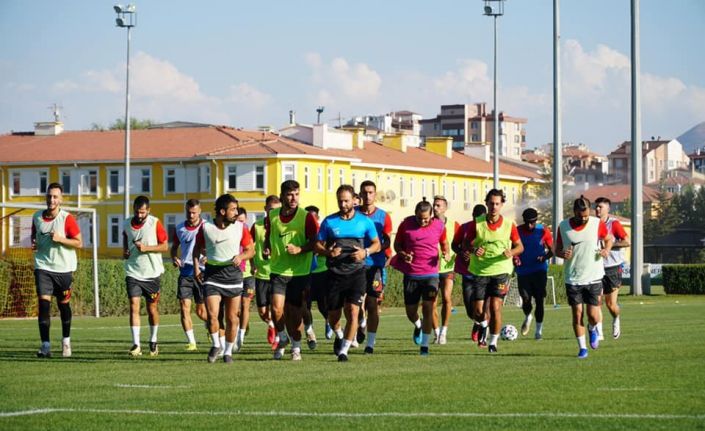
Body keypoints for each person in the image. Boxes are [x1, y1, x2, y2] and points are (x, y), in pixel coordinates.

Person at [315, 185, 381, 362]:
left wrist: (365, 252)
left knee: (353, 312)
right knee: (334, 317)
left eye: (346, 201)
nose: (343, 204)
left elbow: (377, 244)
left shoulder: (364, 221)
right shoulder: (329, 222)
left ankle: (344, 351)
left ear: (354, 200)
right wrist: (328, 252)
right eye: (340, 201)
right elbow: (317, 245)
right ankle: (338, 334)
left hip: (357, 274)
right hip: (334, 275)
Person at [193, 194, 254, 364]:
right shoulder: (206, 227)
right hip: (212, 276)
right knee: (212, 315)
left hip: (233, 276)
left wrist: (241, 256)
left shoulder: (241, 227)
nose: (236, 213)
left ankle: (228, 352)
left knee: (232, 318)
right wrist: (196, 268)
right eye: (233, 209)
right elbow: (197, 248)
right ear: (222, 211)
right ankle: (216, 345)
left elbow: (251, 250)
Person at [463, 189, 523, 354]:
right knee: (478, 311)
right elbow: (465, 244)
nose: (494, 207)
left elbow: (520, 246)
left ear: (502, 205)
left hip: (501, 270)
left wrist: (511, 252)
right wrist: (474, 249)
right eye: (491, 203)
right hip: (480, 270)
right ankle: (483, 325)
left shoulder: (509, 224)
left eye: (497, 204)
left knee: (495, 307)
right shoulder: (478, 223)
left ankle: (493, 342)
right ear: (486, 204)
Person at [265, 180, 318, 361]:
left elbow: (315, 243)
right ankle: (282, 337)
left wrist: (300, 249)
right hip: (278, 269)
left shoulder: (306, 217)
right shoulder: (272, 215)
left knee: (295, 314)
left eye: (296, 194)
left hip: (299, 272)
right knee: (276, 309)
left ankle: (296, 348)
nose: (294, 198)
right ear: (282, 196)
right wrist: (267, 247)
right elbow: (268, 236)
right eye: (289, 194)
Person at [555, 195, 613, 359]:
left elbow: (609, 239)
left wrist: (606, 250)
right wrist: (562, 254)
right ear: (574, 212)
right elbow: (557, 249)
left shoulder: (597, 223)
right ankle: (582, 348)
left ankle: (592, 328)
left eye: (586, 215)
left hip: (594, 276)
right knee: (577, 313)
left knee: (593, 315)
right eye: (580, 216)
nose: (584, 219)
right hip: (573, 278)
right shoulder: (563, 226)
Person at [391, 200, 450, 356]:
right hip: (411, 274)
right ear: (415, 214)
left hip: (431, 274)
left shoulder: (439, 226)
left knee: (428, 307)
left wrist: (446, 252)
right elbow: (397, 245)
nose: (422, 221)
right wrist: (403, 254)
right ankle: (418, 325)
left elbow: (444, 243)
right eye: (419, 218)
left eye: (425, 219)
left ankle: (424, 345)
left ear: (431, 215)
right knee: (411, 312)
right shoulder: (406, 224)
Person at [31, 183, 82, 358]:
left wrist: (61, 239)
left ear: (60, 199)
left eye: (55, 197)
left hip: (64, 269)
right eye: (49, 196)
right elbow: (34, 236)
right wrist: (34, 243)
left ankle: (66, 341)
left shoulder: (67, 219)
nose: (51, 200)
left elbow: (79, 242)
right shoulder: (37, 217)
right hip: (43, 267)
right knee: (43, 305)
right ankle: (45, 346)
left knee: (63, 305)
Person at [123, 195, 169, 357]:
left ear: (148, 210)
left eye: (143, 212)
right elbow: (125, 237)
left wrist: (146, 248)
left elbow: (165, 246)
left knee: (152, 309)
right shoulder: (126, 223)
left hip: (152, 273)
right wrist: (125, 250)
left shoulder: (155, 223)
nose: (140, 215)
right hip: (133, 271)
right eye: (137, 211)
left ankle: (153, 340)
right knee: (133, 306)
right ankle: (136, 344)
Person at [356, 181, 393, 354]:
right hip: (355, 265)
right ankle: (360, 322)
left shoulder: (383, 216)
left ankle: (370, 344)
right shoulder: (353, 214)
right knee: (354, 304)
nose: (367, 196)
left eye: (370, 192)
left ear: (375, 194)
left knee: (372, 303)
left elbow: (387, 240)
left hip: (375, 266)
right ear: (360, 194)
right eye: (364, 192)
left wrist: (381, 250)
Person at [170, 199, 208, 351]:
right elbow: (174, 248)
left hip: (202, 273)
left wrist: (209, 256)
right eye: (188, 212)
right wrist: (174, 258)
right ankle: (192, 342)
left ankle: (211, 324)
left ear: (199, 211)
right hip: (185, 272)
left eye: (194, 212)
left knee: (201, 312)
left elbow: (216, 246)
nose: (191, 215)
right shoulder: (180, 228)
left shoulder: (207, 226)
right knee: (184, 306)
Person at [515, 207, 553, 340]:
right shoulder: (517, 231)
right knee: (525, 298)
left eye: (532, 222)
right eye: (527, 222)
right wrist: (515, 258)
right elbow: (513, 249)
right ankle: (528, 315)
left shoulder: (543, 230)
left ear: (536, 221)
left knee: (539, 300)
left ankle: (538, 331)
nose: (530, 225)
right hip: (523, 271)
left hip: (539, 270)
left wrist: (545, 257)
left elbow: (552, 250)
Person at [595, 197, 630, 340]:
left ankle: (616, 318)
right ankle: (599, 333)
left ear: (608, 209)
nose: (597, 209)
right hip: (596, 267)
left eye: (600, 207)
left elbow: (627, 242)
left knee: (611, 305)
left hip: (612, 268)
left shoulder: (614, 224)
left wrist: (609, 246)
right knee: (596, 302)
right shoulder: (592, 224)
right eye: (596, 206)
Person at [453, 204, 487, 343]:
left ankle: (484, 330)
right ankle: (477, 323)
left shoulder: (489, 229)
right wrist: (462, 252)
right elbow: (454, 245)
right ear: (472, 216)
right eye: (476, 217)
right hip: (467, 272)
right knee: (469, 309)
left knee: (482, 308)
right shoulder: (464, 227)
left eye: (481, 218)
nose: (478, 221)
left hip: (484, 273)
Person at [251, 195, 281, 349]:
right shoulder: (256, 226)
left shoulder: (282, 226)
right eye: (270, 210)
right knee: (263, 312)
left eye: (276, 210)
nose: (273, 213)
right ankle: (271, 324)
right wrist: (252, 264)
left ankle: (278, 336)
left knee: (276, 308)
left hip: (277, 273)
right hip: (261, 274)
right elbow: (248, 246)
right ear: (265, 209)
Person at [432, 195, 459, 345]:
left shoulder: (454, 225)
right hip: (431, 269)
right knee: (432, 303)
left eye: (438, 205)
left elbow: (461, 243)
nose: (435, 208)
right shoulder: (427, 223)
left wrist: (456, 255)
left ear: (445, 208)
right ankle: (436, 333)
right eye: (434, 205)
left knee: (447, 298)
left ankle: (444, 331)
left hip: (448, 267)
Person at [235, 207, 256, 351]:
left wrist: (253, 265)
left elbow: (251, 251)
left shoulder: (248, 232)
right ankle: (243, 324)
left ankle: (240, 336)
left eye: (242, 221)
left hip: (248, 274)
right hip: (235, 275)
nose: (241, 223)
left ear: (246, 219)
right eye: (238, 221)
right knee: (236, 309)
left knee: (245, 304)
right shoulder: (232, 232)